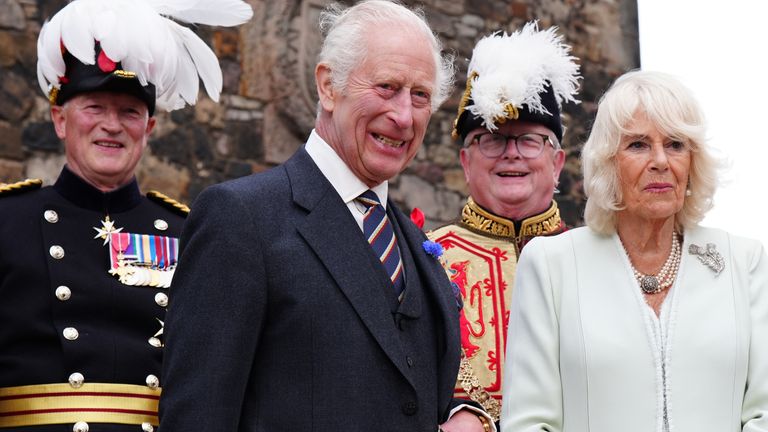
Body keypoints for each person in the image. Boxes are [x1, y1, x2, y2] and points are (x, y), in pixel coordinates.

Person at [158, 1, 492, 431]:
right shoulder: (241, 219)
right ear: (329, 86)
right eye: (387, 87)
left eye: (421, 96)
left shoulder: (415, 246)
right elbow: (198, 417)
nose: (404, 116)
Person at [0, 1, 252, 431]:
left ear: (149, 129)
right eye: (94, 107)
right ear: (60, 120)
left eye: (129, 112)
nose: (112, 125)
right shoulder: (7, 221)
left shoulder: (187, 234)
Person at [500, 69, 768, 432]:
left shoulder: (746, 262)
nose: (660, 161)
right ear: (609, 161)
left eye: (675, 144)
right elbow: (528, 423)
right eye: (638, 144)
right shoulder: (551, 265)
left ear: (692, 162)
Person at [428, 23, 580, 424]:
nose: (511, 155)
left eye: (529, 140)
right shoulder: (423, 261)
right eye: (491, 139)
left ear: (557, 163)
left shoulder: (598, 261)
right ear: (466, 162)